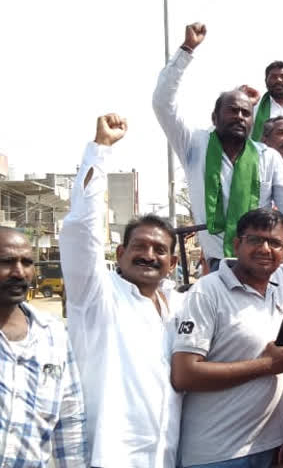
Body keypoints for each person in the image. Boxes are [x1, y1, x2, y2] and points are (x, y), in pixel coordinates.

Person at [152, 22, 283, 270]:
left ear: (253, 121)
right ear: (214, 118)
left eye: (245, 113)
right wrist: (186, 50)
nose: (239, 116)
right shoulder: (195, 145)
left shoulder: (266, 157)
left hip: (263, 257)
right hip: (222, 263)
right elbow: (163, 103)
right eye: (232, 110)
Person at [60, 114, 183, 467]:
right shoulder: (96, 294)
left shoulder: (175, 306)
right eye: (139, 247)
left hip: (164, 454)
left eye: (160, 250)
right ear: (120, 254)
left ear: (172, 264)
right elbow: (82, 228)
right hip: (107, 456)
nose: (148, 255)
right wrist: (100, 150)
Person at [170, 208, 283, 468]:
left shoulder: (282, 279)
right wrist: (267, 365)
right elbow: (184, 374)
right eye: (255, 240)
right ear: (237, 244)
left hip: (268, 447)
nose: (264, 249)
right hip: (218, 454)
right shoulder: (207, 293)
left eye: (274, 243)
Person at [0, 227, 88, 466]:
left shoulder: (53, 333)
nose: (19, 272)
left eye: (27, 263)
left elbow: (70, 420)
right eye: (6, 262)